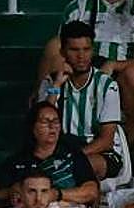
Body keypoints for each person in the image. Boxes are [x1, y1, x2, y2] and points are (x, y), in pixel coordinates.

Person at [43, 0, 134, 152]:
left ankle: (129, 146)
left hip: (119, 72)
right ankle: (45, 122)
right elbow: (62, 49)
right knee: (54, 46)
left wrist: (113, 65)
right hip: (79, 68)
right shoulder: (78, 7)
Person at [36, 22, 126, 183]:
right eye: (74, 50)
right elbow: (43, 124)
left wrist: (72, 157)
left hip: (100, 153)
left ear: (93, 50)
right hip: (62, 150)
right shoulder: (51, 82)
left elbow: (106, 140)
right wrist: (56, 86)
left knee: (79, 168)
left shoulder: (107, 85)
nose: (81, 56)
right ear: (63, 52)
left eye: (86, 49)